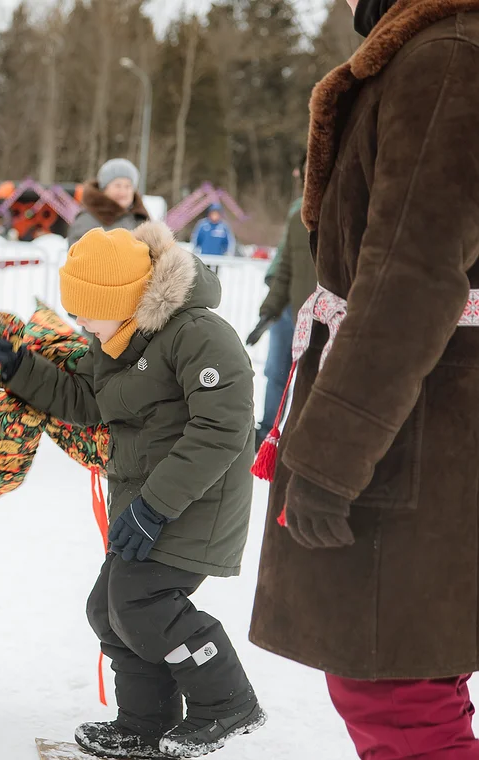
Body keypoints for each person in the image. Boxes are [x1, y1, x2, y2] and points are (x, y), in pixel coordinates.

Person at [248, 0, 479, 758]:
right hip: (423, 411)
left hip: (423, 425)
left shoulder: (447, 56)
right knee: (407, 676)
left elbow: (412, 273)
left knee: (397, 688)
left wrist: (332, 455)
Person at [0, 223, 264, 758]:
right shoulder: (117, 338)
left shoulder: (197, 333)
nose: (79, 321)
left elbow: (224, 428)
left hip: (196, 501)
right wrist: (19, 370)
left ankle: (226, 702)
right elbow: (90, 402)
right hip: (147, 504)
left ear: (123, 298)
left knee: (139, 601)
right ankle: (144, 724)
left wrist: (155, 509)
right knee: (107, 608)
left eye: (85, 309)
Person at [247, 157, 315, 446]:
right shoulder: (297, 214)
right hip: (289, 312)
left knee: (312, 381)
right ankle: (268, 432)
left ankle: (305, 438)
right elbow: (284, 267)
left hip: (322, 318)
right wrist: (269, 312)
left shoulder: (345, 214)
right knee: (276, 373)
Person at [67, 158, 152, 246]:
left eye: (128, 186)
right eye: (117, 185)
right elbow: (78, 253)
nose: (123, 192)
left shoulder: (140, 219)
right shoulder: (87, 219)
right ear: (104, 189)